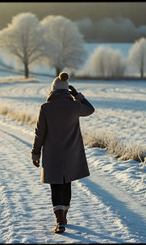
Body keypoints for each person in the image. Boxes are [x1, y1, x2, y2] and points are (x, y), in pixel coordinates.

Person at [31, 72, 95, 233]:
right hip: (71, 154)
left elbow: (40, 132)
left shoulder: (45, 108)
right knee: (67, 185)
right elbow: (90, 109)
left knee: (56, 186)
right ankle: (64, 216)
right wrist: (77, 95)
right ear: (67, 90)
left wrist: (35, 152)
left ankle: (60, 221)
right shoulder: (75, 106)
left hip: (52, 154)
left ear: (52, 91)